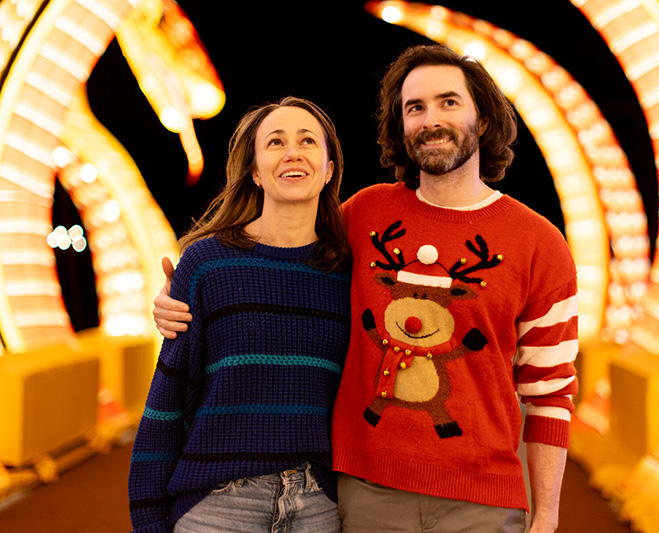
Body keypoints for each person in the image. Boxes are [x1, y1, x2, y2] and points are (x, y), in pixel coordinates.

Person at [154, 45, 578, 533]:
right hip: (368, 492)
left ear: (482, 120)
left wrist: (546, 515)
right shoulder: (362, 215)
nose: (430, 119)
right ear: (400, 126)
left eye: (449, 102)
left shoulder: (540, 243)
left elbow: (549, 393)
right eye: (414, 108)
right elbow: (283, 273)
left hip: (482, 500)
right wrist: (182, 300)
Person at [128, 96, 351, 533]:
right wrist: (148, 515)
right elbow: (168, 397)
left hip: (317, 508)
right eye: (275, 142)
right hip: (219, 505)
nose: (293, 152)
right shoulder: (208, 264)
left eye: (308, 140)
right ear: (254, 171)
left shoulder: (348, 272)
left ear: (328, 169)